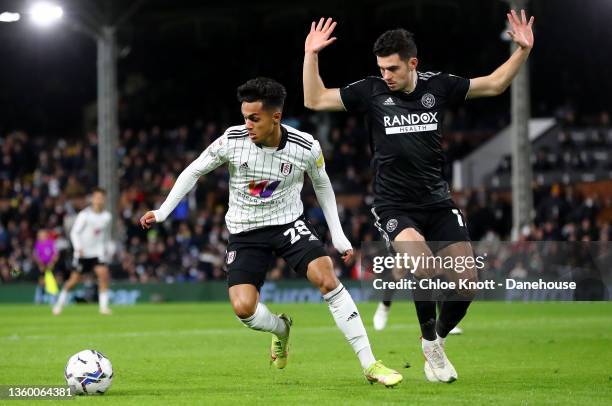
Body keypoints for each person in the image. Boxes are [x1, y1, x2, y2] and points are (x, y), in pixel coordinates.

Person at [303, 11, 534, 383]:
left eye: (392, 68)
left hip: (438, 203)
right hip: (394, 205)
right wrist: (311, 54)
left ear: (413, 63)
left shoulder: (438, 86)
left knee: (468, 284)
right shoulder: (371, 91)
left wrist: (521, 51)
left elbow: (493, 85)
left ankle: (437, 340)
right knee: (422, 265)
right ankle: (429, 343)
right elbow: (314, 99)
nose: (386, 75)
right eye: (381, 68)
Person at [140, 78, 402, 387]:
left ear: (275, 117)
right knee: (243, 308)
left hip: (287, 224)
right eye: (244, 117)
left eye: (254, 118)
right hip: (245, 232)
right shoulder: (232, 141)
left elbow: (322, 184)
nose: (247, 124)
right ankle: (281, 329)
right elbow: (194, 169)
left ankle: (370, 363)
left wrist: (338, 234)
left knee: (327, 277)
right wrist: (163, 211)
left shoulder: (305, 146)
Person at [53, 188, 113, 315]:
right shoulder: (84, 215)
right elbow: (75, 232)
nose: (99, 200)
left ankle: (103, 307)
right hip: (82, 253)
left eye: (101, 198)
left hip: (97, 253)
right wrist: (78, 247)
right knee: (73, 281)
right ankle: (59, 304)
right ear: (92, 199)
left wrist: (105, 249)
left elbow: (102, 236)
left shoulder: (107, 216)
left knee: (103, 276)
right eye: (97, 197)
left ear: (104, 200)